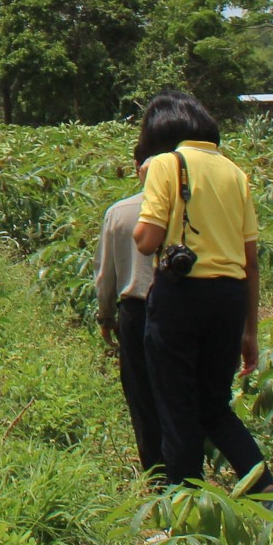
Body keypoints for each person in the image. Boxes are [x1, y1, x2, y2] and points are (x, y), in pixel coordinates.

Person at [130, 91, 273, 504]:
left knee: (176, 405)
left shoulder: (165, 163)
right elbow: (251, 260)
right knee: (214, 404)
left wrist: (148, 190)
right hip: (230, 298)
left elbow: (147, 241)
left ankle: (184, 508)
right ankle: (267, 490)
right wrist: (250, 329)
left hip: (182, 296)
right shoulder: (235, 173)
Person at [94, 146, 164, 482]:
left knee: (141, 394)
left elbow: (105, 273)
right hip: (179, 308)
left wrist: (105, 316)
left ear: (137, 169)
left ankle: (156, 474)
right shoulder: (186, 209)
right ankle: (185, 469)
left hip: (134, 311)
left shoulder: (119, 212)